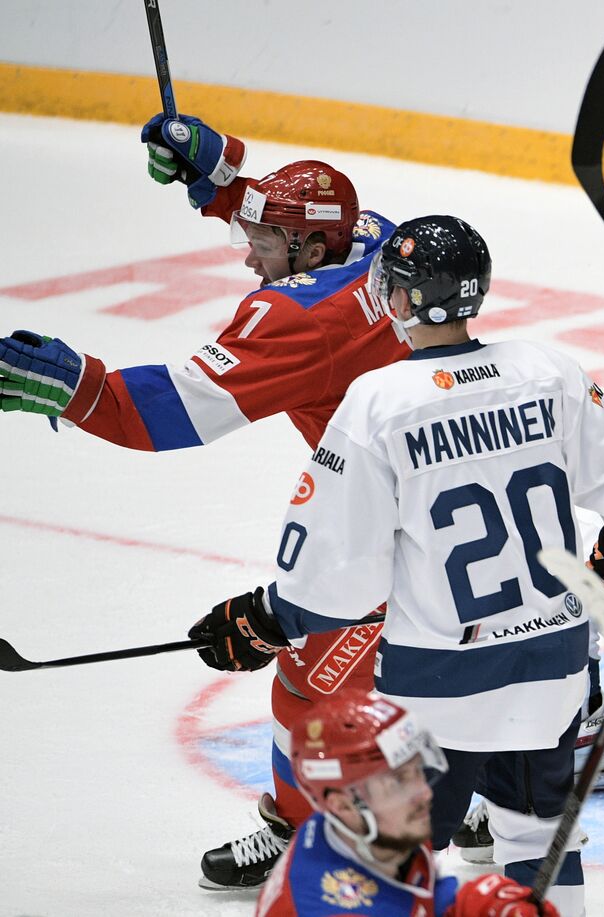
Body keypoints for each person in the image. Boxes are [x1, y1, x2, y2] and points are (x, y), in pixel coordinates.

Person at [188, 215, 604, 917]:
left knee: (401, 854)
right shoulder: (550, 371)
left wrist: (266, 619)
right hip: (557, 665)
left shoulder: (379, 402)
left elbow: (335, 579)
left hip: (437, 683)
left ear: (406, 301)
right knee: (539, 835)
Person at [0, 111, 408, 888]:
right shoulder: (379, 243)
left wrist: (76, 384)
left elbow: (169, 412)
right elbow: (308, 233)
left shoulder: (296, 320)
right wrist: (220, 182)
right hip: (431, 492)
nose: (247, 255)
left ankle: (350, 838)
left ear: (310, 250)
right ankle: (481, 779)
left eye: (262, 241)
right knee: (351, 677)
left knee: (314, 693)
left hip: (386, 538)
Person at [256, 687, 557, 917]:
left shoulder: (366, 829)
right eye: (398, 782)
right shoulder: (336, 908)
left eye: (416, 771)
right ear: (343, 805)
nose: (424, 793)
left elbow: (416, 897)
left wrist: (470, 903)